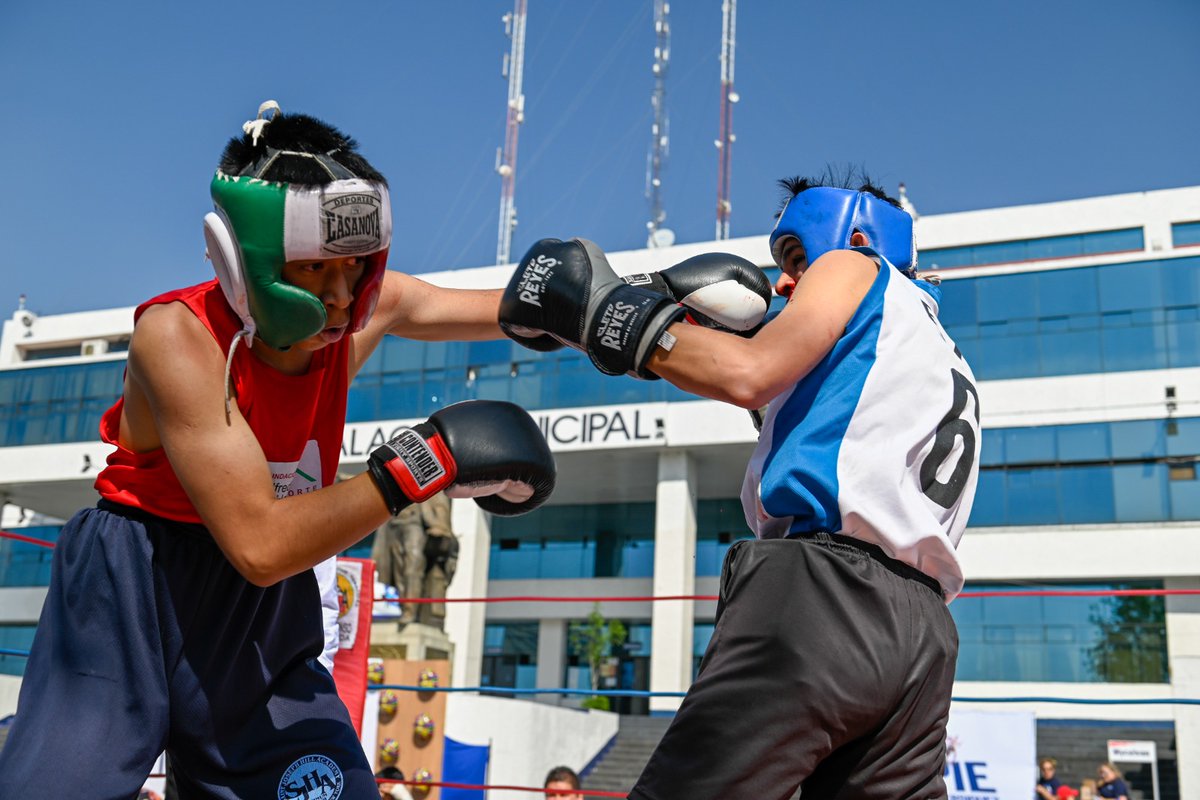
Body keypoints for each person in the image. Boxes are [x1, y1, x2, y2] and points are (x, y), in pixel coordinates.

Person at [0, 101, 556, 798]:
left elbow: (516, 310)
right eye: (316, 271)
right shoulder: (178, 338)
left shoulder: (361, 312)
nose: (342, 299)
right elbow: (258, 543)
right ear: (244, 258)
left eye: (355, 270)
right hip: (132, 587)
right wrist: (423, 463)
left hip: (261, 615)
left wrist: (626, 309)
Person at [499, 170, 981, 799]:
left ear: (858, 238)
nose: (783, 280)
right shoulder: (934, 347)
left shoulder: (854, 269)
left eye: (796, 257)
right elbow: (779, 399)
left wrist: (602, 312)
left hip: (823, 600)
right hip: (923, 636)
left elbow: (749, 374)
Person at [372, 491, 458, 627]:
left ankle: (410, 611)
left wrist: (440, 526)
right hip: (394, 523)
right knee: (397, 570)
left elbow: (440, 502)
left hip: (415, 523)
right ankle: (401, 607)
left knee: (412, 568)